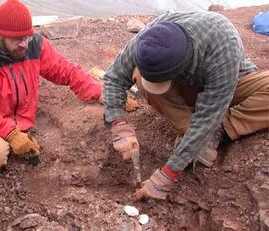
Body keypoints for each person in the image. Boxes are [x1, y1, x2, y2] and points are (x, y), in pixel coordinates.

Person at [103, 11, 269, 200]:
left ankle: (222, 127)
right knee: (141, 77)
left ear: (182, 67)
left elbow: (207, 116)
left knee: (213, 119)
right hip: (185, 89)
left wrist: (167, 175)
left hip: (230, 83)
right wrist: (119, 124)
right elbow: (113, 77)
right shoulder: (149, 38)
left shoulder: (223, 46)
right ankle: (189, 127)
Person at [0, 0, 125, 169]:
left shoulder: (34, 46)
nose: (24, 44)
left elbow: (66, 70)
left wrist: (101, 92)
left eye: (26, 37)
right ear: (1, 35)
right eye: (17, 39)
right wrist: (11, 133)